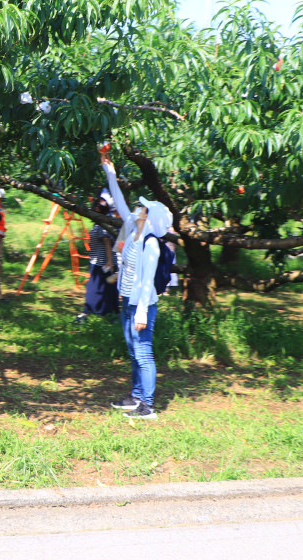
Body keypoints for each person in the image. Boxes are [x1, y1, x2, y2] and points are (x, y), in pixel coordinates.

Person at [101, 155, 173, 420]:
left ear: (150, 216)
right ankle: (136, 396)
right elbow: (119, 201)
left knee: (144, 353)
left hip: (141, 304)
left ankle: (148, 406)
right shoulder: (133, 229)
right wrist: (110, 171)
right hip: (127, 300)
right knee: (133, 350)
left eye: (143, 208)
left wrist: (141, 312)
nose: (137, 208)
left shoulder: (151, 243)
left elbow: (146, 281)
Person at [77, 191, 119, 321]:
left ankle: (93, 312)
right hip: (98, 262)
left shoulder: (103, 224)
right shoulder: (99, 223)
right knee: (103, 289)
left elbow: (107, 243)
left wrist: (110, 262)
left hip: (103, 263)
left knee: (97, 289)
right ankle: (105, 313)